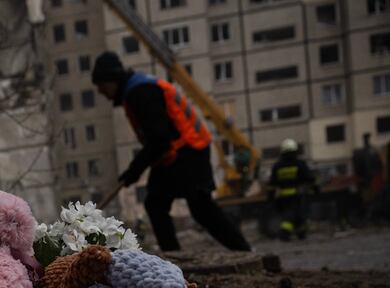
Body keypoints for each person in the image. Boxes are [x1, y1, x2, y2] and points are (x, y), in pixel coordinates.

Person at [91, 52, 250, 253]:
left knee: (200, 208)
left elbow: (159, 140)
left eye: (101, 85)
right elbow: (159, 141)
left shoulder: (140, 93)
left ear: (111, 79)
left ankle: (243, 251)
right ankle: (174, 256)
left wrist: (134, 171)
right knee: (157, 203)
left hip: (189, 151)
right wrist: (134, 171)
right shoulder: (137, 89)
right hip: (177, 152)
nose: (100, 91)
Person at [268, 139, 315, 240]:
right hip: (296, 195)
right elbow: (309, 178)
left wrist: (270, 198)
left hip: (282, 197)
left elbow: (272, 183)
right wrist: (315, 188)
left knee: (289, 215)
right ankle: (286, 233)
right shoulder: (299, 164)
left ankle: (299, 233)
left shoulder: (277, 165)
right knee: (296, 215)